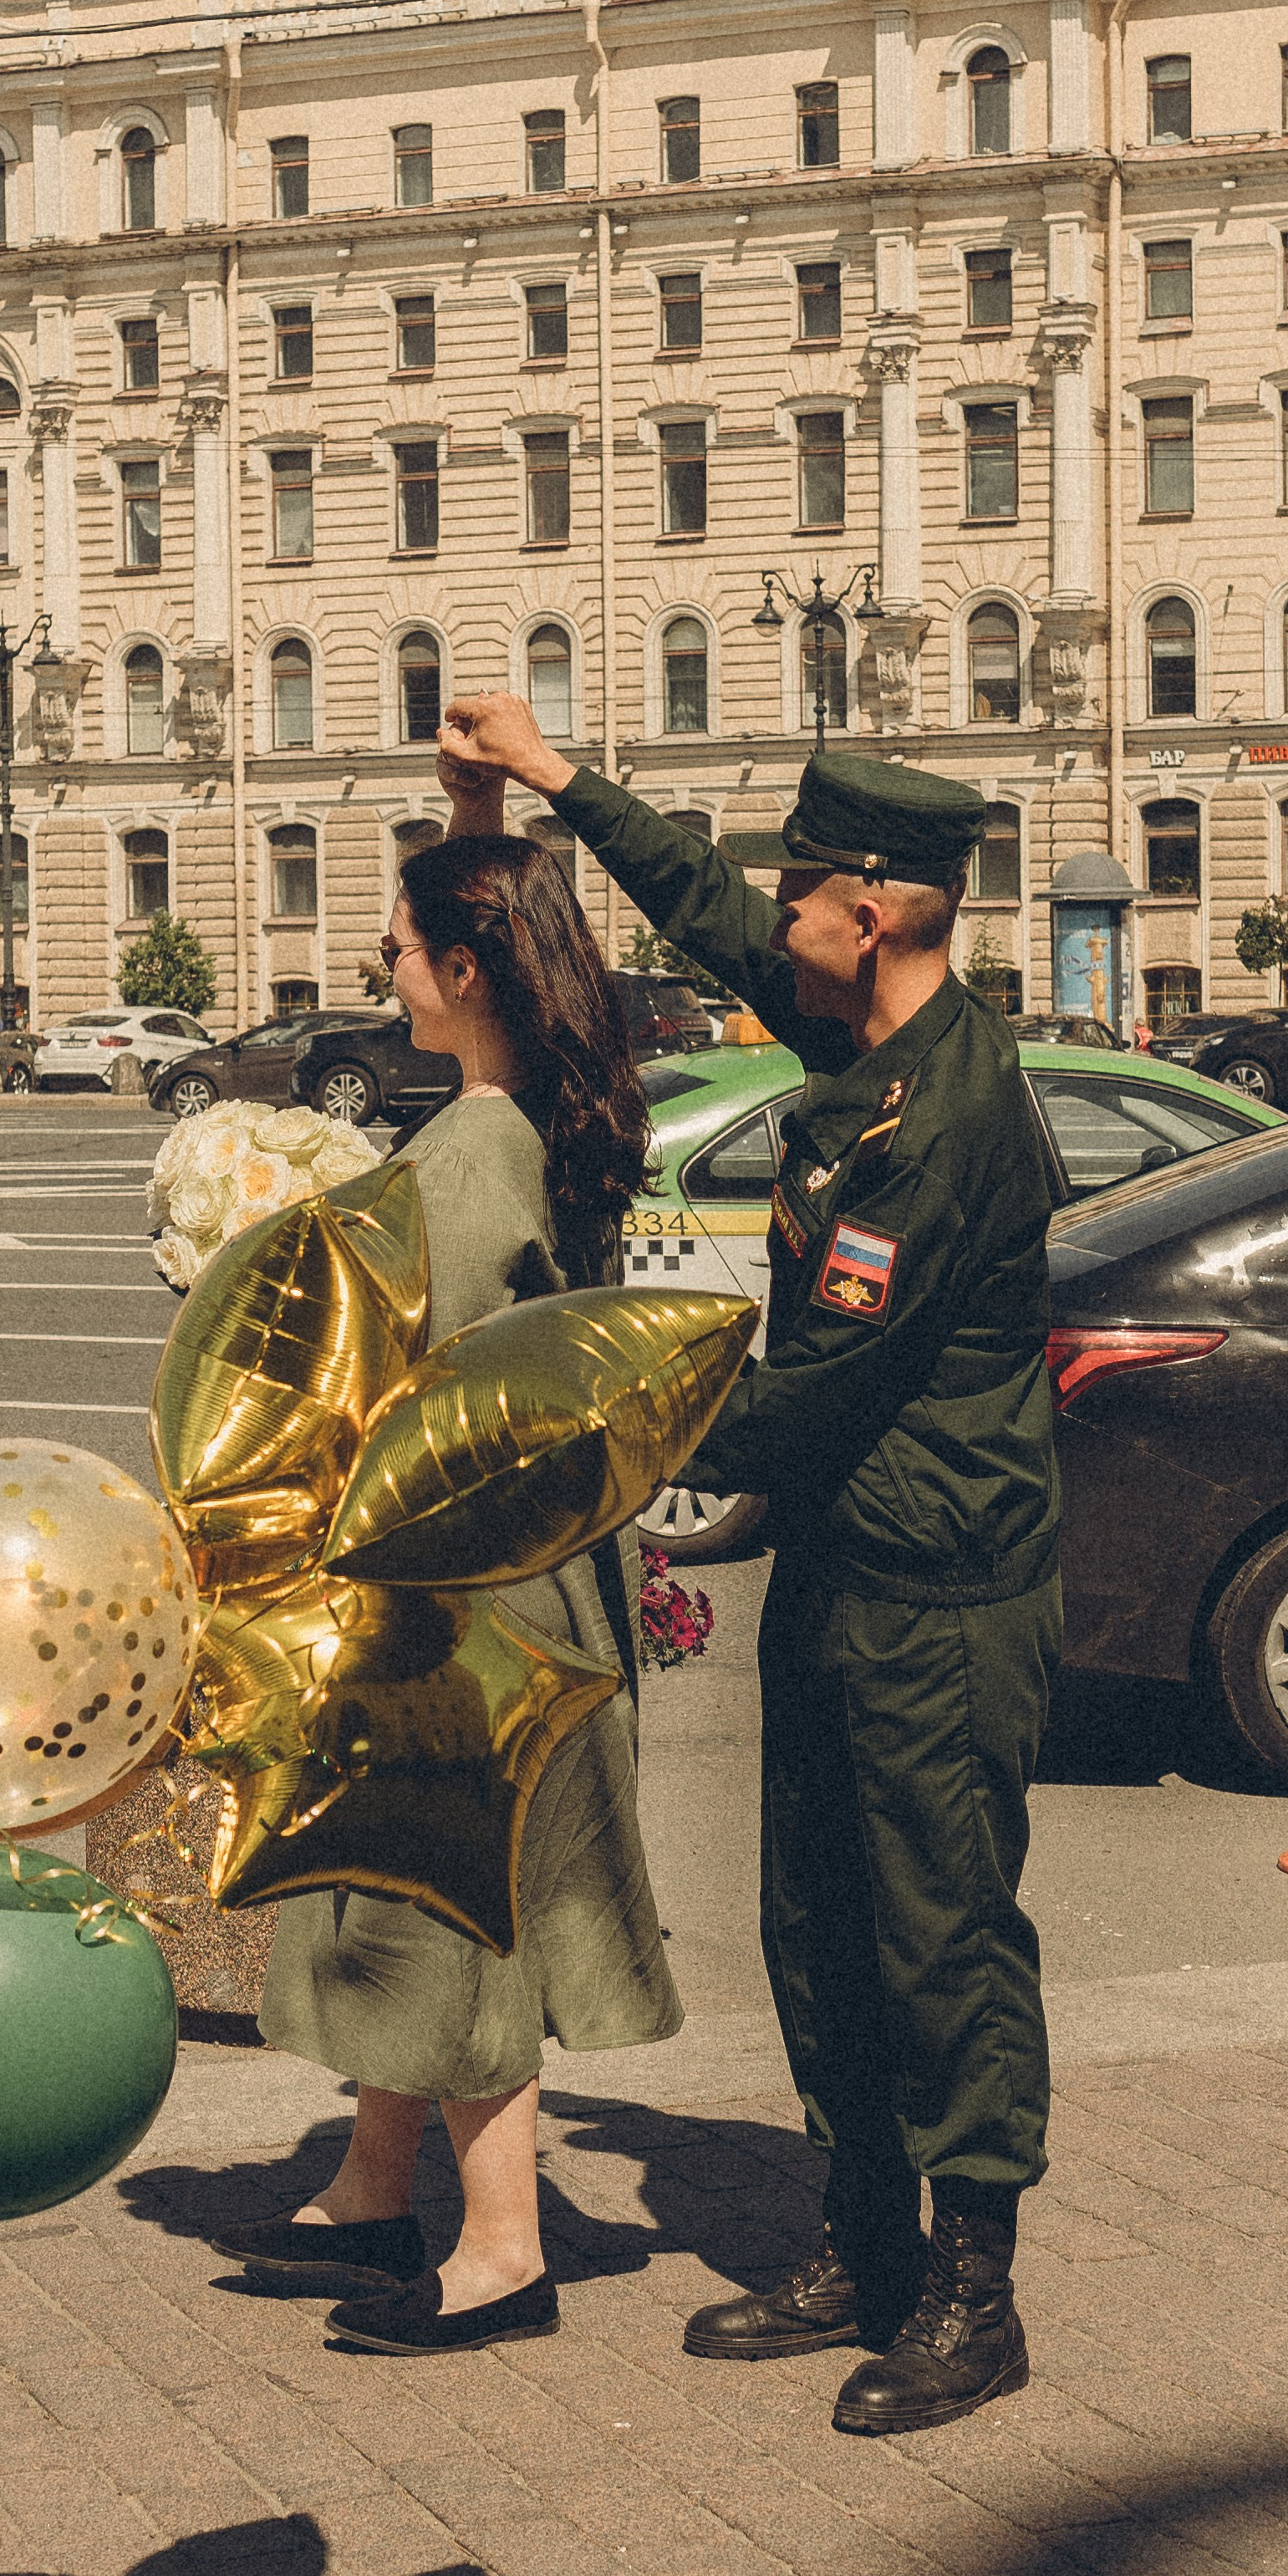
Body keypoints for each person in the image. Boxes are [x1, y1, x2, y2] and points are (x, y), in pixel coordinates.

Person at [438, 696, 1059, 2438]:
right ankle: (859, 2243)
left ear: (873, 911)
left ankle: (971, 2290)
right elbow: (704, 906)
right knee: (820, 1928)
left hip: (945, 1591)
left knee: (942, 1941)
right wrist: (559, 779)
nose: (773, 923)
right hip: (857, 1577)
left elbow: (811, 1403)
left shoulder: (942, 1119)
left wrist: (594, 1427)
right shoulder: (865, 1043)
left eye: (804, 899)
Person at [209, 814, 680, 2354]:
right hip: (514, 1578)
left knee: (458, 1893)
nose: (382, 963)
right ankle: (371, 2185)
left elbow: (423, 1383)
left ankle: (501, 2247)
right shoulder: (529, 1112)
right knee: (415, 1881)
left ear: (464, 968)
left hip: (473, 1595)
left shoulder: (478, 1149)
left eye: (401, 946)